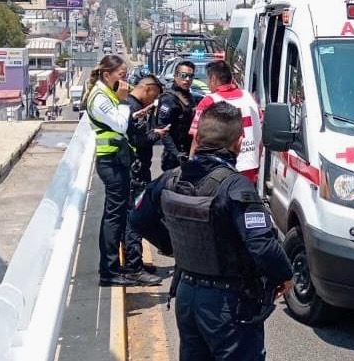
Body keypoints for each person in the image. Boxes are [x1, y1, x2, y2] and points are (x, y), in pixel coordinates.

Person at [130, 101, 294, 360]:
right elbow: (262, 245)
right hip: (228, 304)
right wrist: (285, 275)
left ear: (198, 137)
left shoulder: (170, 178)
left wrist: (172, 245)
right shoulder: (236, 187)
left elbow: (137, 219)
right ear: (239, 143)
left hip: (187, 294)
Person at [84, 54, 161, 287]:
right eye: (122, 75)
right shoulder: (101, 96)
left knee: (116, 216)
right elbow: (118, 124)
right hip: (111, 163)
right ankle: (109, 271)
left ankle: (114, 267)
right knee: (114, 218)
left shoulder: (106, 94)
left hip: (117, 161)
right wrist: (124, 101)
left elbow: (117, 121)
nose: (125, 80)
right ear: (107, 75)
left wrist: (129, 111)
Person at [124, 74, 170, 274]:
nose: (153, 102)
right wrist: (156, 134)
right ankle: (134, 265)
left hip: (135, 169)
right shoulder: (134, 108)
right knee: (135, 218)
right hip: (136, 171)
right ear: (147, 89)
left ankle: (136, 262)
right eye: (154, 96)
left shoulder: (128, 105)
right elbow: (139, 140)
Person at [189, 60, 262, 184]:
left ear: (213, 79)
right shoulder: (248, 97)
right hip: (249, 165)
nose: (207, 83)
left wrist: (191, 163)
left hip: (218, 170)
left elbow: (197, 138)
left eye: (208, 79)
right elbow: (260, 129)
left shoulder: (209, 101)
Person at [153, 60, 198, 171]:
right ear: (175, 76)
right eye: (183, 75)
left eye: (190, 76)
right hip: (174, 157)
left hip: (189, 152)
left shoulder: (190, 97)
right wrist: (177, 154)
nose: (187, 79)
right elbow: (163, 130)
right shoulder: (168, 99)